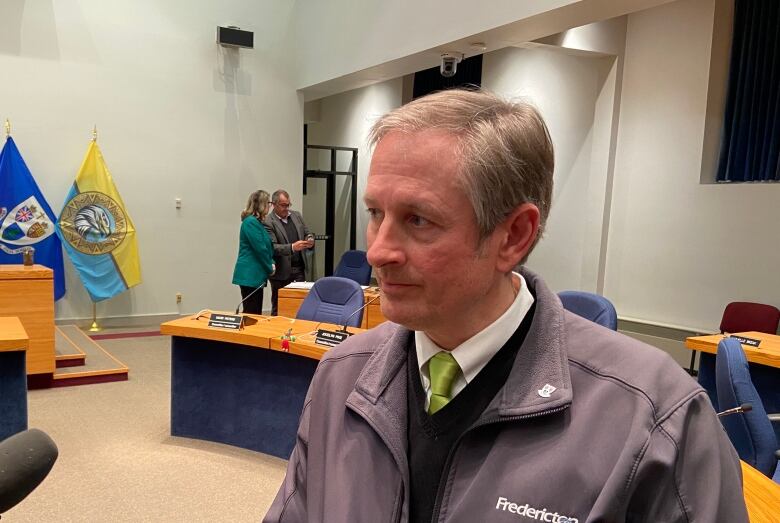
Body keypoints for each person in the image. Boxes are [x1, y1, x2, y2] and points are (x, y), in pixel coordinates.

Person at [264, 89, 747, 522]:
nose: (377, 251)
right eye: (376, 214)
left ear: (514, 235)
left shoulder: (654, 421)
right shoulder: (340, 379)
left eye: (418, 219)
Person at [264, 189, 314, 315]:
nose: (286, 208)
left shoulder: (296, 215)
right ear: (274, 205)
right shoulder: (268, 222)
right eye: (283, 205)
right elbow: (272, 247)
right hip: (281, 272)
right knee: (279, 306)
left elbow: (307, 232)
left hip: (299, 269)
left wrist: (310, 239)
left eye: (288, 205)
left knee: (300, 304)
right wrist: (292, 247)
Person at [231, 190, 275, 315]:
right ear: (261, 205)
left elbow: (266, 247)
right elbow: (260, 249)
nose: (269, 206)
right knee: (252, 313)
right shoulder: (250, 222)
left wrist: (271, 262)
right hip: (249, 275)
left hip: (255, 276)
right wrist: (270, 267)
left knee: (255, 313)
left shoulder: (257, 223)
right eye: (268, 203)